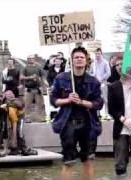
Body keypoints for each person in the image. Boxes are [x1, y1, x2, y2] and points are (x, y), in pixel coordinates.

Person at [50, 46, 103, 180]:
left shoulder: (94, 81)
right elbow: (53, 100)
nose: (79, 59)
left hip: (88, 124)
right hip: (68, 124)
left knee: (89, 160)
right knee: (68, 161)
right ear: (71, 61)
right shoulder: (61, 78)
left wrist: (82, 102)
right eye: (76, 57)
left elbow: (99, 103)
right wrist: (67, 100)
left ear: (86, 61)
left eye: (82, 57)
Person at [20, 55, 49, 122]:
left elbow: (43, 77)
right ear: (28, 59)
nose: (31, 59)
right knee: (27, 105)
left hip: (38, 89)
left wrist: (46, 83)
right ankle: (27, 118)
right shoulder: (25, 68)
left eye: (32, 58)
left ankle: (41, 118)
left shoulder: (38, 68)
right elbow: (21, 77)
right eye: (29, 58)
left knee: (40, 104)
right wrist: (30, 77)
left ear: (34, 59)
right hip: (28, 89)